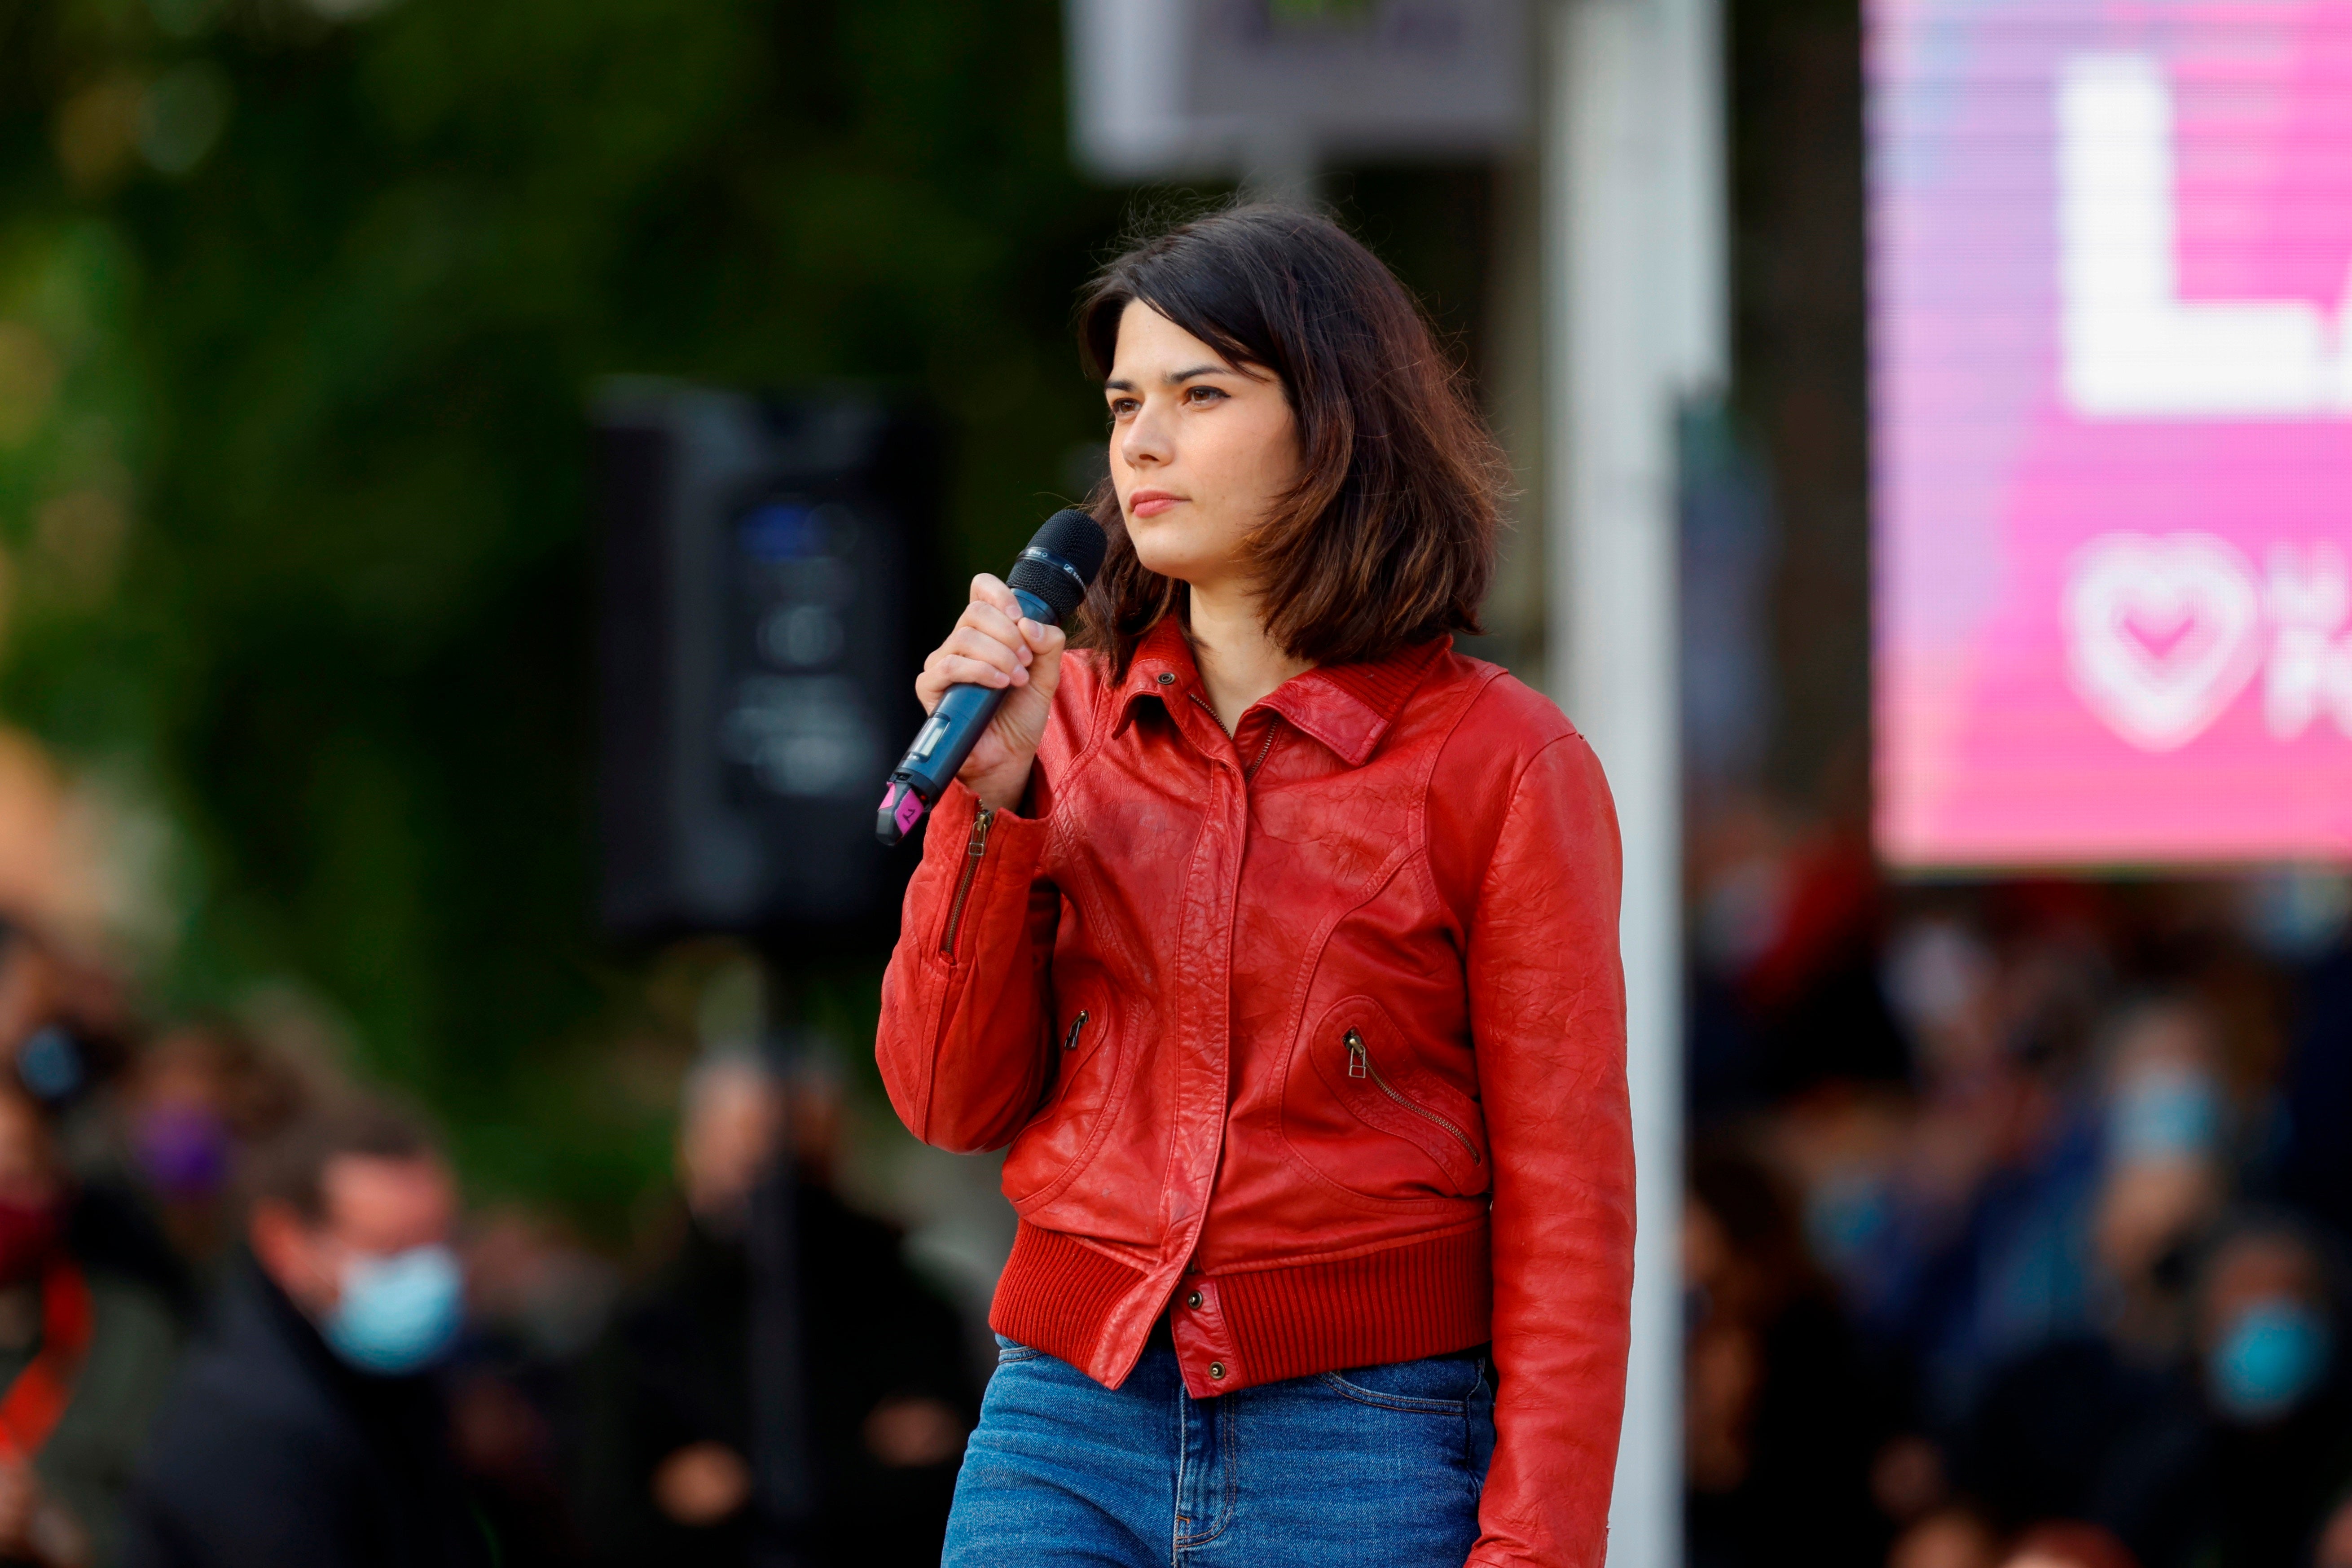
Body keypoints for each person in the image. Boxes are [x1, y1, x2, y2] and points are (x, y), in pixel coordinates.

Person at [874, 204, 1634, 1567]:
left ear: (1334, 417)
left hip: (1365, 1439)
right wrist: (990, 816)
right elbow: (946, 1103)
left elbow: (1571, 1207)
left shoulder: (1504, 761)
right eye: (1123, 403)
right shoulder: (1066, 719)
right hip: (1065, 1414)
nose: (1142, 443)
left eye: (1200, 394)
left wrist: (1539, 1547)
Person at [573, 1050, 976, 1568]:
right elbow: (613, 1512)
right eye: (750, 1161)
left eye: (803, 1162)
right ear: (695, 1150)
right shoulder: (641, 1325)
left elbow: (957, 1472)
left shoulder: (912, 1305)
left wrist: (741, 1483)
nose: (777, 1187)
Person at [121, 1098, 491, 1568]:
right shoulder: (245, 1429)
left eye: (439, 1241)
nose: (429, 1273)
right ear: (285, 1244)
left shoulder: (398, 1381)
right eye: (390, 1250)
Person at [0, 1076, 180, 1568]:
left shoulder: (134, 1335)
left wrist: (46, 1533)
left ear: (56, 1182)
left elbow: (180, 1528)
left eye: (15, 1174)